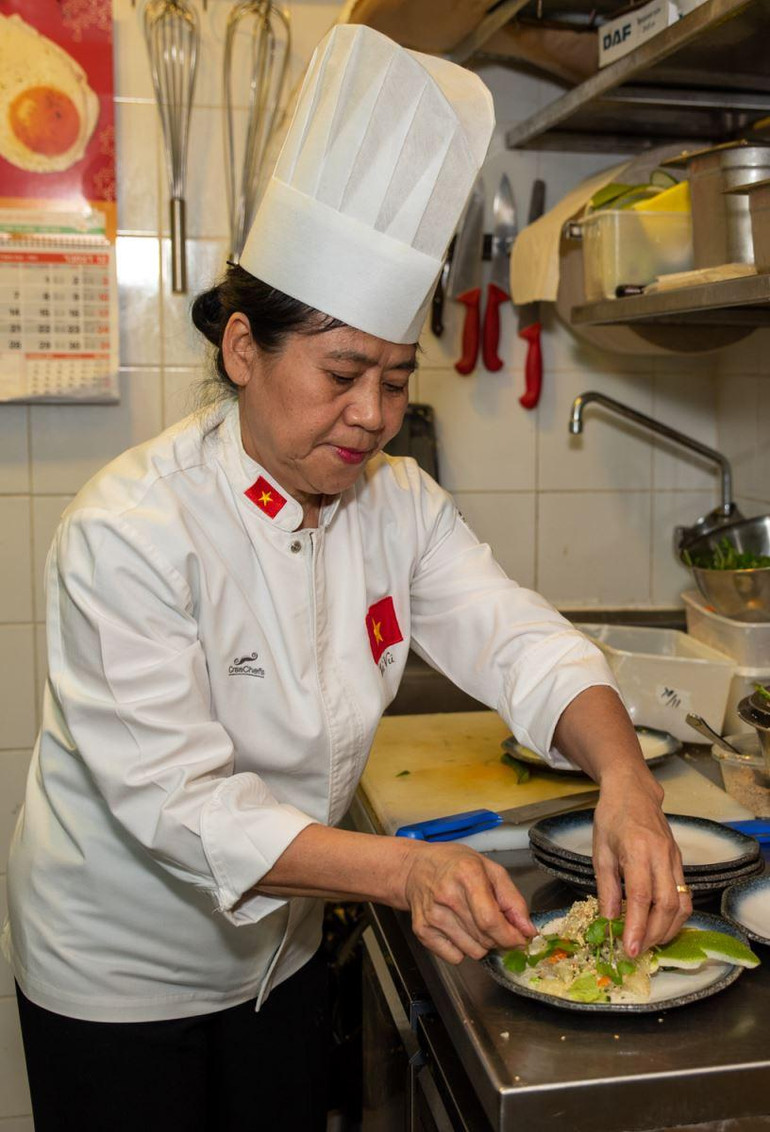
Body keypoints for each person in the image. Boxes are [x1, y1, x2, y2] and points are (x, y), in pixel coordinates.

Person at [3, 23, 691, 1132]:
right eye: (341, 373)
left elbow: (517, 639)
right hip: (119, 973)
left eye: (396, 379)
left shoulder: (398, 503)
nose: (371, 415)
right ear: (242, 349)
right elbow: (180, 804)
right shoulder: (130, 528)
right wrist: (402, 873)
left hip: (281, 947)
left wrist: (626, 783)